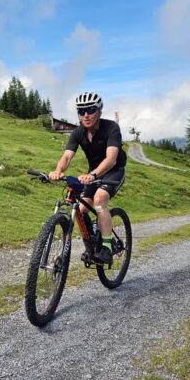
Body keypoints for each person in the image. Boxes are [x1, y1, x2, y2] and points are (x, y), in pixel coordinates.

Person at [49, 92, 126, 264]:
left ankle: (106, 248)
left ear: (99, 110)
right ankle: (92, 244)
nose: (86, 115)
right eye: (81, 111)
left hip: (114, 170)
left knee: (99, 200)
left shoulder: (111, 128)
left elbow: (111, 159)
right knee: (82, 209)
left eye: (90, 110)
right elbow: (67, 156)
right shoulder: (78, 133)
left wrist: (93, 175)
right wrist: (58, 171)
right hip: (94, 172)